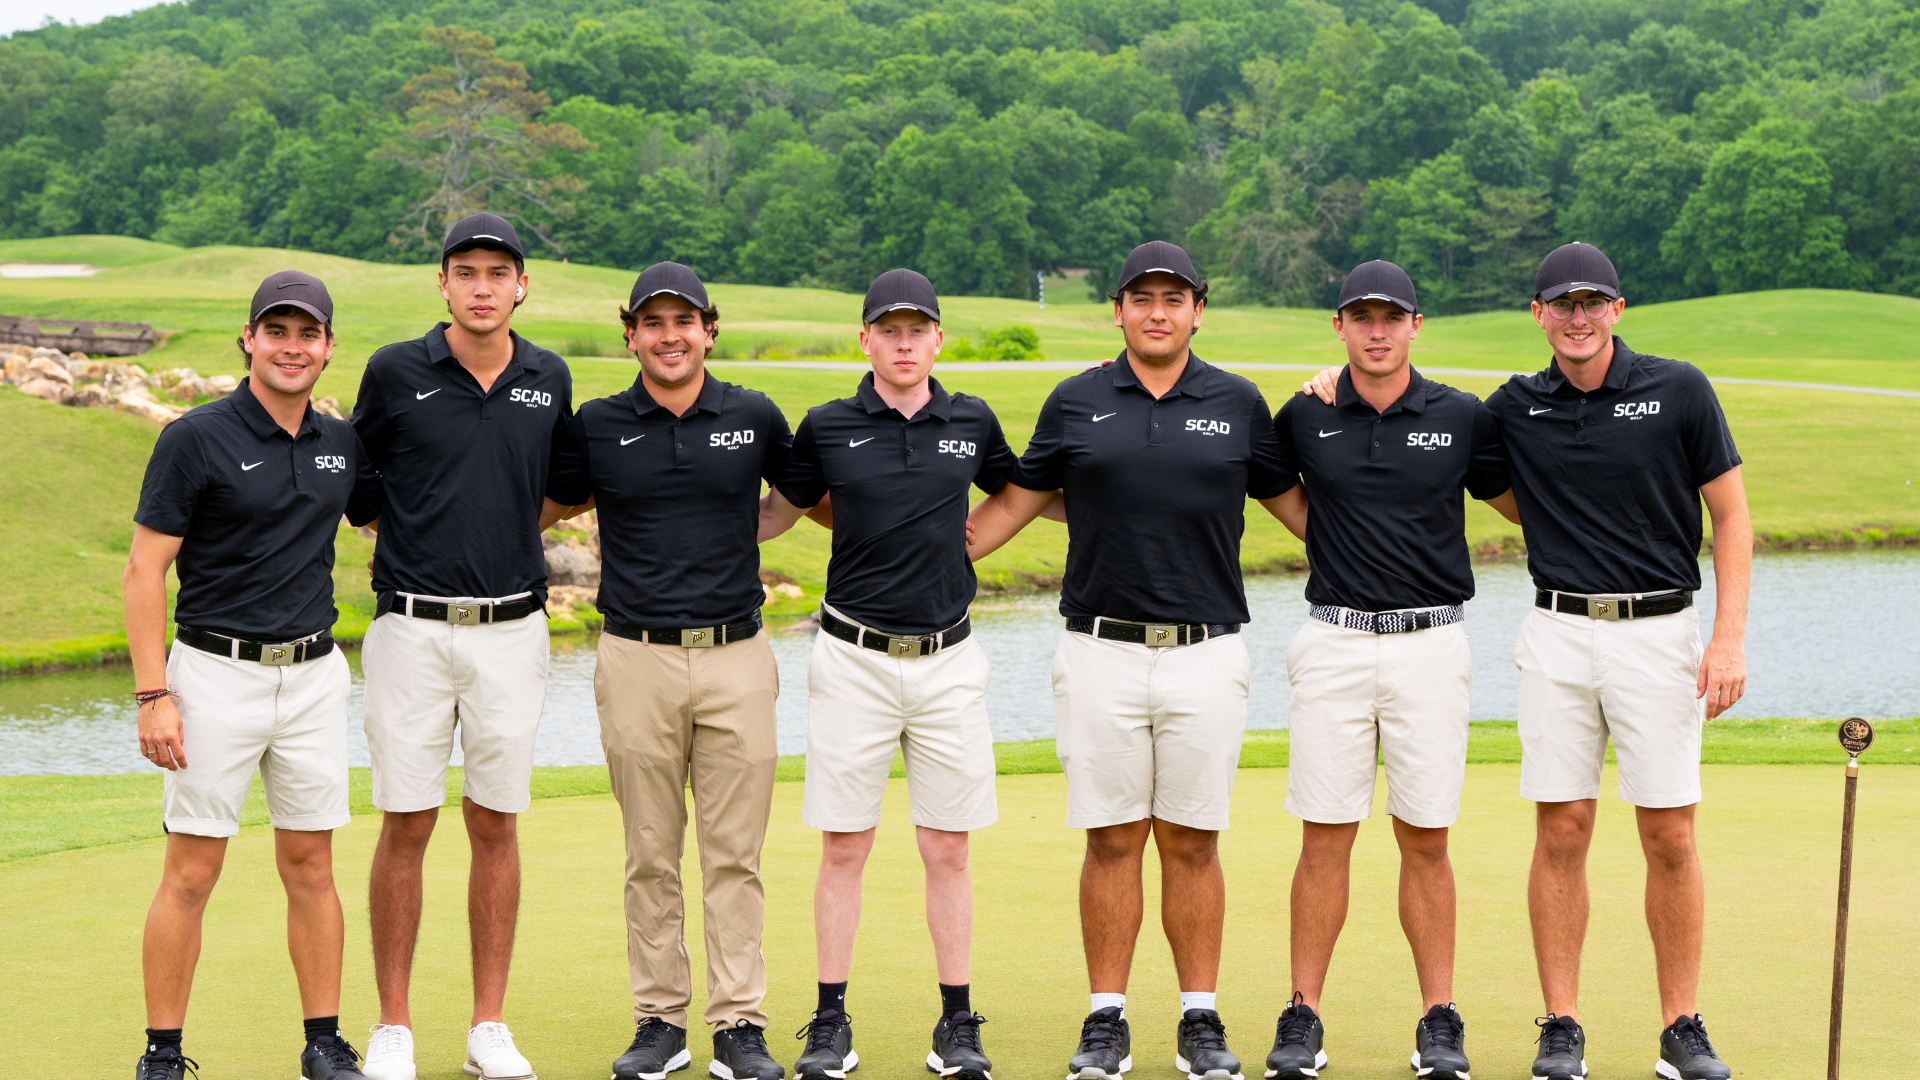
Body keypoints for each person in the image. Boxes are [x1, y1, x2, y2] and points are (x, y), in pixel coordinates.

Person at [1298, 242, 1749, 1080]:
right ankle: (1562, 1024)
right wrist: (1332, 382)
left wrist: (1728, 637)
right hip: (1557, 631)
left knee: (1670, 833)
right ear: (1538, 315)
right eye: (1562, 305)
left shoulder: (1679, 389)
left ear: (1617, 309)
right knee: (1562, 827)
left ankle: (1681, 1025)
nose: (1578, 319)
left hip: (1661, 630)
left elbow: (1731, 515)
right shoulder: (1511, 408)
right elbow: (1480, 479)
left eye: (1593, 303)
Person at [966, 241, 1294, 1080]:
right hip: (1098, 649)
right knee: (1112, 838)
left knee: (1193, 841)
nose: (1157, 312)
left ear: (1197, 311)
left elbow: (1304, 511)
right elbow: (1011, 505)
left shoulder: (1238, 402)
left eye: (1173, 299)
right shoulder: (1075, 401)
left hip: (1206, 651)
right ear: (1117, 310)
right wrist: (920, 554)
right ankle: (1106, 1019)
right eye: (1141, 298)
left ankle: (1199, 1019)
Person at [760, 269, 1016, 1080]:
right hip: (852, 660)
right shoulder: (828, 425)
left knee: (948, 848)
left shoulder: (971, 420)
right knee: (845, 845)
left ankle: (957, 1023)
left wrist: (973, 540)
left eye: (917, 331)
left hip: (948, 661)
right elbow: (779, 512)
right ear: (865, 340)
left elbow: (1024, 490)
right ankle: (829, 1022)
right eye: (890, 331)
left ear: (938, 339)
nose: (904, 344)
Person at [126, 271, 382, 1080]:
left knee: (312, 866)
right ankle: (163, 1053)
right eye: (277, 331)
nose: (291, 347)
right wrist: (153, 694)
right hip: (212, 675)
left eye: (308, 334)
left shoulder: (341, 443)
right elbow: (143, 571)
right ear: (249, 339)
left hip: (312, 677)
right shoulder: (195, 437)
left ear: (328, 347)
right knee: (192, 871)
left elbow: (392, 515)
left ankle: (323, 1044)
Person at [1260, 261, 1512, 1080]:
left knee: (1427, 837)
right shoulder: (1305, 412)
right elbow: (1269, 485)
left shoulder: (1461, 416)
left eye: (1391, 317)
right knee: (1323, 836)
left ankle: (1439, 1018)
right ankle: (1303, 1014)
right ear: (1339, 326)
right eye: (1361, 318)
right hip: (1334, 641)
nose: (1377, 331)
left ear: (1415, 325)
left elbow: (1522, 504)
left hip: (1432, 645)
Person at [545, 262, 797, 1080]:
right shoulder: (599, 424)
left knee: (735, 854)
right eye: (651, 322)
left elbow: (800, 497)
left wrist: (740, 532)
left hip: (737, 656)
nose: (669, 336)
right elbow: (546, 504)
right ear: (631, 335)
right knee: (650, 851)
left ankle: (739, 1023)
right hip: (636, 657)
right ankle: (660, 1020)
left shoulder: (753, 416)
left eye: (683, 321)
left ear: (708, 330)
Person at [350, 213, 578, 1080]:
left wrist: (500, 523)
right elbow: (359, 489)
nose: (483, 287)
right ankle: (394, 1027)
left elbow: (559, 487)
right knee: (406, 820)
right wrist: (427, 530)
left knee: (494, 820)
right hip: (410, 629)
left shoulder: (547, 377)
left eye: (498, 273)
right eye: (467, 272)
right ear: (442, 283)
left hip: (513, 630)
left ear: (522, 286)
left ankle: (489, 1025)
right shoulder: (394, 371)